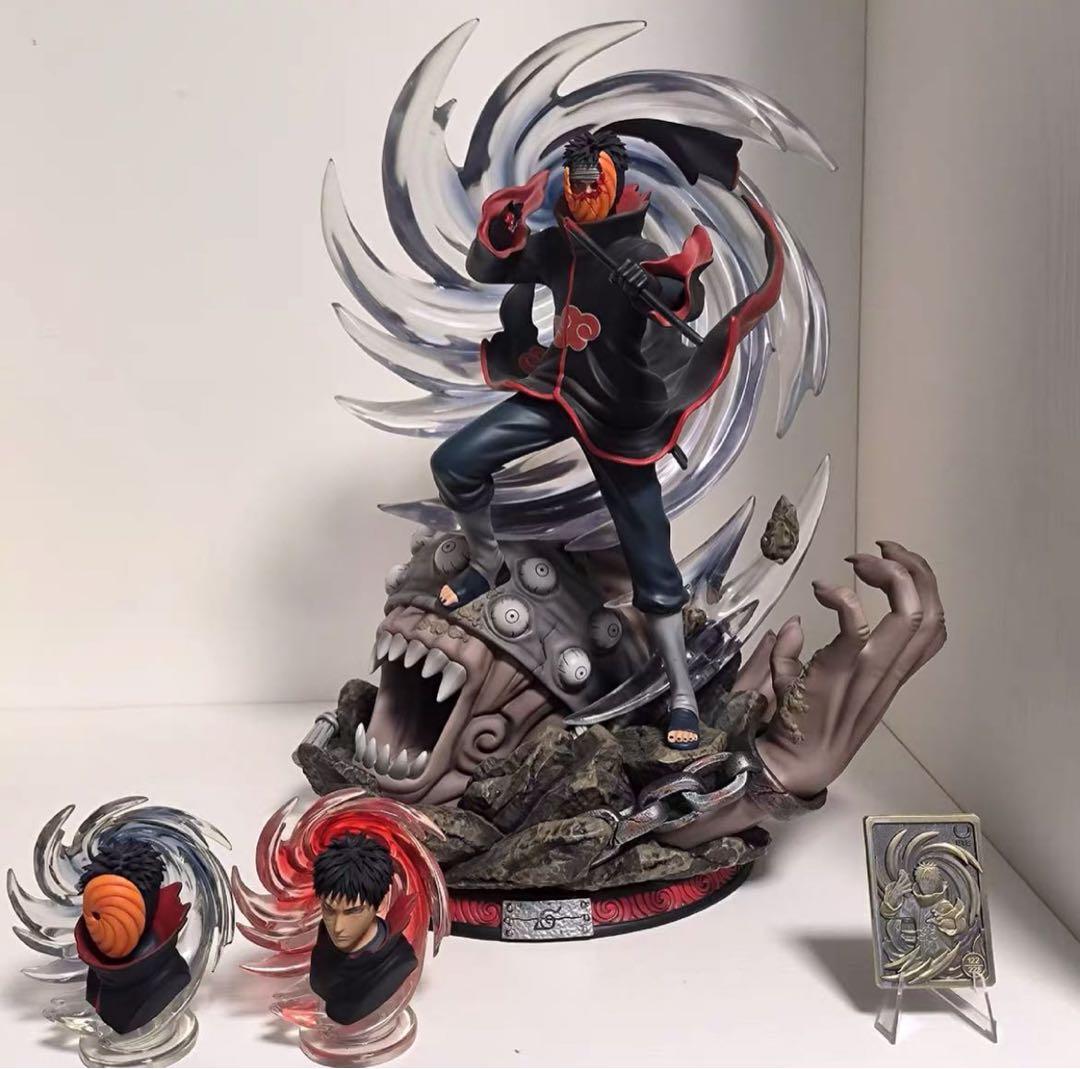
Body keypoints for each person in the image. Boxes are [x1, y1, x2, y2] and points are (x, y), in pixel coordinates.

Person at [430, 123, 783, 750]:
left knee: (651, 557)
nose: (584, 191)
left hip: (617, 417)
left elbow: (684, 295)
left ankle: (680, 692)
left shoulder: (635, 253)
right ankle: (485, 562)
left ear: (616, 184)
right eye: (577, 180)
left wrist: (661, 284)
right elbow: (486, 265)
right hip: (557, 393)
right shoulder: (559, 246)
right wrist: (506, 225)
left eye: (595, 181)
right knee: (456, 461)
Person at [309, 833, 418, 1026]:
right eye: (329, 910)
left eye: (353, 912)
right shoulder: (324, 936)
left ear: (380, 903)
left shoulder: (399, 960)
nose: (337, 927)